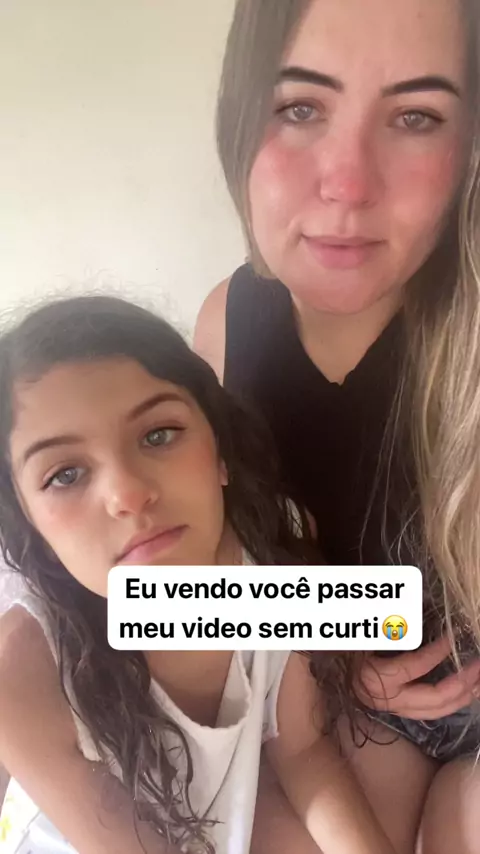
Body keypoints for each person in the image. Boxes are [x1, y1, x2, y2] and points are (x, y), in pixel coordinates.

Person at [194, 0, 480, 851]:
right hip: (353, 710)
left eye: (416, 116)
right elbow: (188, 588)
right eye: (300, 106)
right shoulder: (225, 326)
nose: (349, 184)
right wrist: (343, 641)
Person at [0, 295, 399, 854]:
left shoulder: (273, 552)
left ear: (219, 450)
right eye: (65, 474)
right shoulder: (24, 668)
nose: (127, 494)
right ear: (29, 522)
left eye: (158, 435)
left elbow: (303, 751)